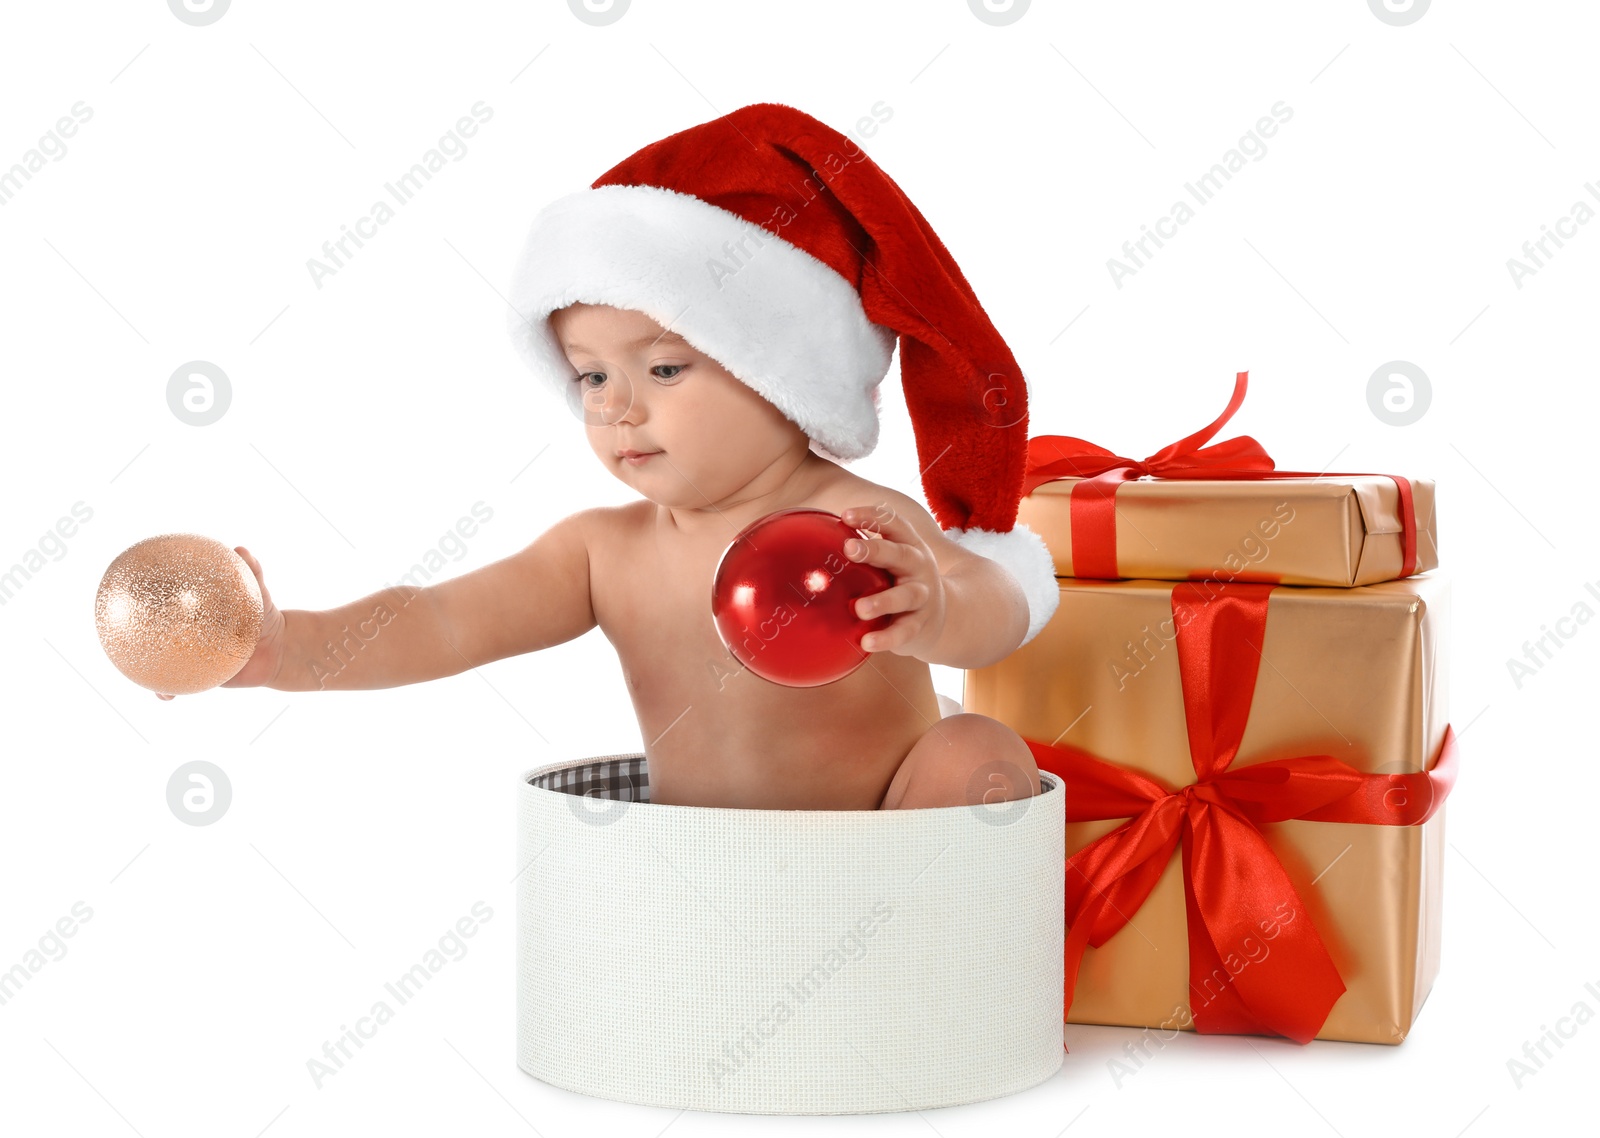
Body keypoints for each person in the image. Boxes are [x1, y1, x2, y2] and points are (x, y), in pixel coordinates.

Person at [163, 102, 1062, 812]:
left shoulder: (860, 524)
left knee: (975, 753)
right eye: (591, 377)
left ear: (779, 374)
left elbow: (998, 603)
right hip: (695, 870)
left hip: (880, 860)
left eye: (665, 367)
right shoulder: (604, 552)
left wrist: (938, 609)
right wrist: (289, 647)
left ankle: (921, 991)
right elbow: (440, 622)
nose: (618, 406)